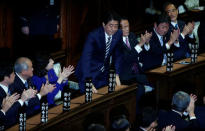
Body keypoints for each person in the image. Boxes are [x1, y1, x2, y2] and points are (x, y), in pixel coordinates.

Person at [75, 11, 122, 93]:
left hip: (103, 73)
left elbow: (118, 55)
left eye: (116, 26)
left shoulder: (118, 34)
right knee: (89, 100)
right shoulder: (93, 36)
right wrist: (88, 81)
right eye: (111, 26)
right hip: (88, 72)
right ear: (104, 25)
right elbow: (86, 59)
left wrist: (116, 74)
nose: (113, 29)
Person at [0, 61, 38, 128]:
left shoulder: (12, 86)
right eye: (13, 74)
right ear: (6, 78)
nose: (15, 75)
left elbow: (19, 107)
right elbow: (4, 115)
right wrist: (22, 100)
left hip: (19, 122)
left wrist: (27, 98)